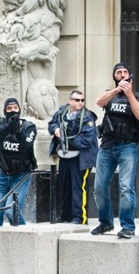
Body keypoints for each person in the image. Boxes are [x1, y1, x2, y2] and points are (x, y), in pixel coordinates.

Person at [91, 62, 139, 239]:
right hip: (107, 146)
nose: (122, 75)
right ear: (114, 76)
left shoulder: (137, 96)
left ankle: (128, 226)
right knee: (99, 187)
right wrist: (117, 90)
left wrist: (129, 93)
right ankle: (106, 222)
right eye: (118, 72)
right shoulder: (110, 94)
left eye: (125, 72)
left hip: (127, 146)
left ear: (130, 76)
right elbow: (99, 101)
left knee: (125, 187)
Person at [0, 98, 37, 274]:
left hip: (21, 176)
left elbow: (27, 143)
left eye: (15, 108)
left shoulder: (29, 127)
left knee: (9, 211)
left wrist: (18, 131)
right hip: (1, 176)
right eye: (9, 108)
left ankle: (28, 242)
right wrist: (9, 127)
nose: (13, 111)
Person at [48, 90, 99, 224]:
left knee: (78, 188)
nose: (80, 103)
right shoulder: (61, 112)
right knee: (65, 186)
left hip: (81, 158)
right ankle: (66, 215)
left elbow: (87, 140)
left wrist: (67, 138)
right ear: (70, 101)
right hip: (65, 155)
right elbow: (51, 124)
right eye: (77, 100)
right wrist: (56, 130)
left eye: (82, 100)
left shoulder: (87, 117)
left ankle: (79, 217)